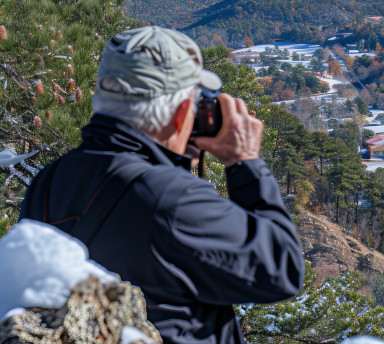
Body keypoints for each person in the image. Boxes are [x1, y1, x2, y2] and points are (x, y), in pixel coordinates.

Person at [20, 26, 304, 343]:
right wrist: (245, 163)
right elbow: (283, 269)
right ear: (183, 113)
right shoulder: (173, 198)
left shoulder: (47, 180)